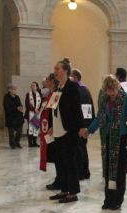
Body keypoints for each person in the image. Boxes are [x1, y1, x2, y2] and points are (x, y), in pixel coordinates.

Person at [83, 75, 127, 210]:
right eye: (108, 90)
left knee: (119, 171)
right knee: (108, 170)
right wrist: (89, 130)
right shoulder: (104, 99)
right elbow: (99, 117)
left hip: (122, 137)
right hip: (108, 136)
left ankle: (117, 200)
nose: (111, 93)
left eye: (112, 90)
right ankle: (108, 199)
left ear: (117, 87)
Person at [48, 58, 86, 204]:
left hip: (69, 130)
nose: (55, 71)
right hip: (58, 130)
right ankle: (64, 190)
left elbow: (77, 108)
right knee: (61, 161)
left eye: (57, 69)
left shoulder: (72, 87)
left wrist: (82, 126)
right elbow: (54, 109)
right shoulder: (59, 87)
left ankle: (73, 192)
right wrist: (52, 125)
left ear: (65, 70)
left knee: (70, 162)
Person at [71, 69, 94, 180]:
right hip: (86, 123)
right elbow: (91, 108)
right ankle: (85, 172)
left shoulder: (77, 89)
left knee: (79, 150)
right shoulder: (86, 89)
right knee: (83, 149)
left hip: (79, 124)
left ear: (75, 77)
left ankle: (81, 173)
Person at [39, 73, 61, 190]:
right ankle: (59, 178)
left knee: (57, 156)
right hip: (48, 130)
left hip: (54, 131)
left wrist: (52, 127)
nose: (45, 81)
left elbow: (55, 113)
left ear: (52, 81)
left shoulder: (56, 94)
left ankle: (60, 180)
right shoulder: (50, 94)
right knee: (55, 156)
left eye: (47, 79)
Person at [3, 84, 24, 149]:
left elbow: (20, 105)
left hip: (18, 117)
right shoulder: (6, 97)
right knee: (11, 132)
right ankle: (12, 144)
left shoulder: (17, 97)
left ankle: (17, 142)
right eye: (13, 89)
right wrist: (16, 108)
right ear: (9, 90)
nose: (15, 91)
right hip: (10, 117)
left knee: (19, 131)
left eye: (15, 89)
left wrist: (20, 108)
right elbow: (7, 107)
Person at [24, 81, 42, 147]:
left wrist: (39, 110)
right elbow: (27, 103)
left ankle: (34, 142)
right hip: (30, 113)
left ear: (37, 87)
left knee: (35, 128)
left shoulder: (39, 94)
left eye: (34, 85)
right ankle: (30, 143)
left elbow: (41, 103)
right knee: (30, 128)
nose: (32, 86)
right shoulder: (28, 94)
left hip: (37, 113)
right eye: (31, 85)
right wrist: (34, 109)